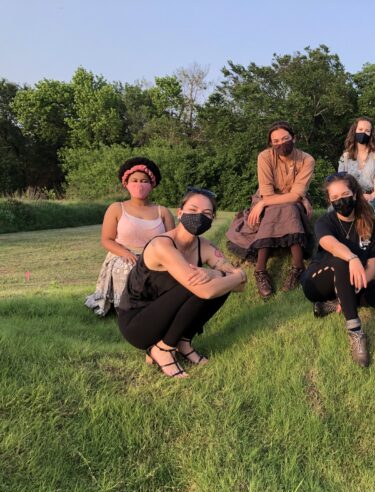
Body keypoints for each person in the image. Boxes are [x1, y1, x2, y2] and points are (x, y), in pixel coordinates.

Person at [118, 187, 247, 378]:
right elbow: (212, 289)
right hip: (138, 323)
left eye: (207, 213)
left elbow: (238, 287)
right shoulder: (162, 245)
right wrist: (236, 275)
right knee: (201, 285)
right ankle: (163, 349)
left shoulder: (204, 245)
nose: (199, 217)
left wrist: (215, 273)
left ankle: (183, 342)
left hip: (166, 316)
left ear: (211, 220)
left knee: (220, 285)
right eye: (193, 210)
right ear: (180, 213)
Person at [301, 173, 375, 367]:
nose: (340, 201)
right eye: (334, 198)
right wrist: (352, 258)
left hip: (348, 282)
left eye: (344, 194)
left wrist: (355, 289)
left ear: (355, 194)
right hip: (316, 283)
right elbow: (329, 243)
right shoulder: (326, 222)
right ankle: (355, 331)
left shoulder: (371, 224)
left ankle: (336, 303)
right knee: (341, 260)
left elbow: (373, 265)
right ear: (330, 201)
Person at [226, 121, 315, 298]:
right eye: (276, 141)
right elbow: (266, 193)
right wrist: (264, 202)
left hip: (289, 201)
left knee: (289, 207)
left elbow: (296, 194)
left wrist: (267, 203)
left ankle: (290, 268)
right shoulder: (264, 157)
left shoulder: (307, 159)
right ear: (271, 144)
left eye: (285, 138)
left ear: (294, 138)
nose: (281, 143)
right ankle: (266, 271)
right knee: (282, 207)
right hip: (270, 199)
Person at [85, 157, 175, 316]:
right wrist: (125, 253)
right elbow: (106, 240)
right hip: (124, 255)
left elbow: (172, 242)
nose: (139, 184)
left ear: (152, 184)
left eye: (144, 180)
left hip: (155, 256)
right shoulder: (116, 208)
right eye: (134, 180)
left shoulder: (163, 212)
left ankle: (158, 306)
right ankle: (126, 308)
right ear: (126, 183)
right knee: (129, 268)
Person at [338, 116, 375, 238]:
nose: (363, 133)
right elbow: (339, 181)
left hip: (370, 197)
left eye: (367, 130)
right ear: (354, 131)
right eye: (360, 129)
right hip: (349, 195)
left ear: (371, 134)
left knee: (366, 208)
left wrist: (371, 196)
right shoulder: (345, 157)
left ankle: (370, 246)